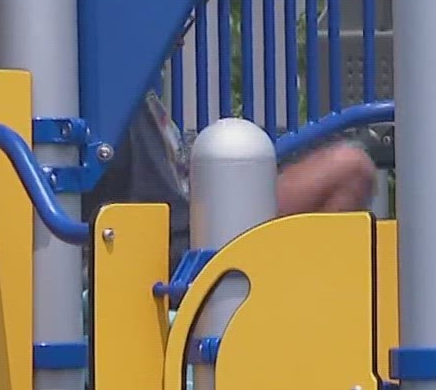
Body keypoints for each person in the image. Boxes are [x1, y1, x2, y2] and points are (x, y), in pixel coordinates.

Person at [85, 91, 379, 271]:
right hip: (185, 250)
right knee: (350, 168)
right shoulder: (126, 103)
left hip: (186, 232)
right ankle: (305, 304)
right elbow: (169, 216)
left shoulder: (131, 94)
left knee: (341, 162)